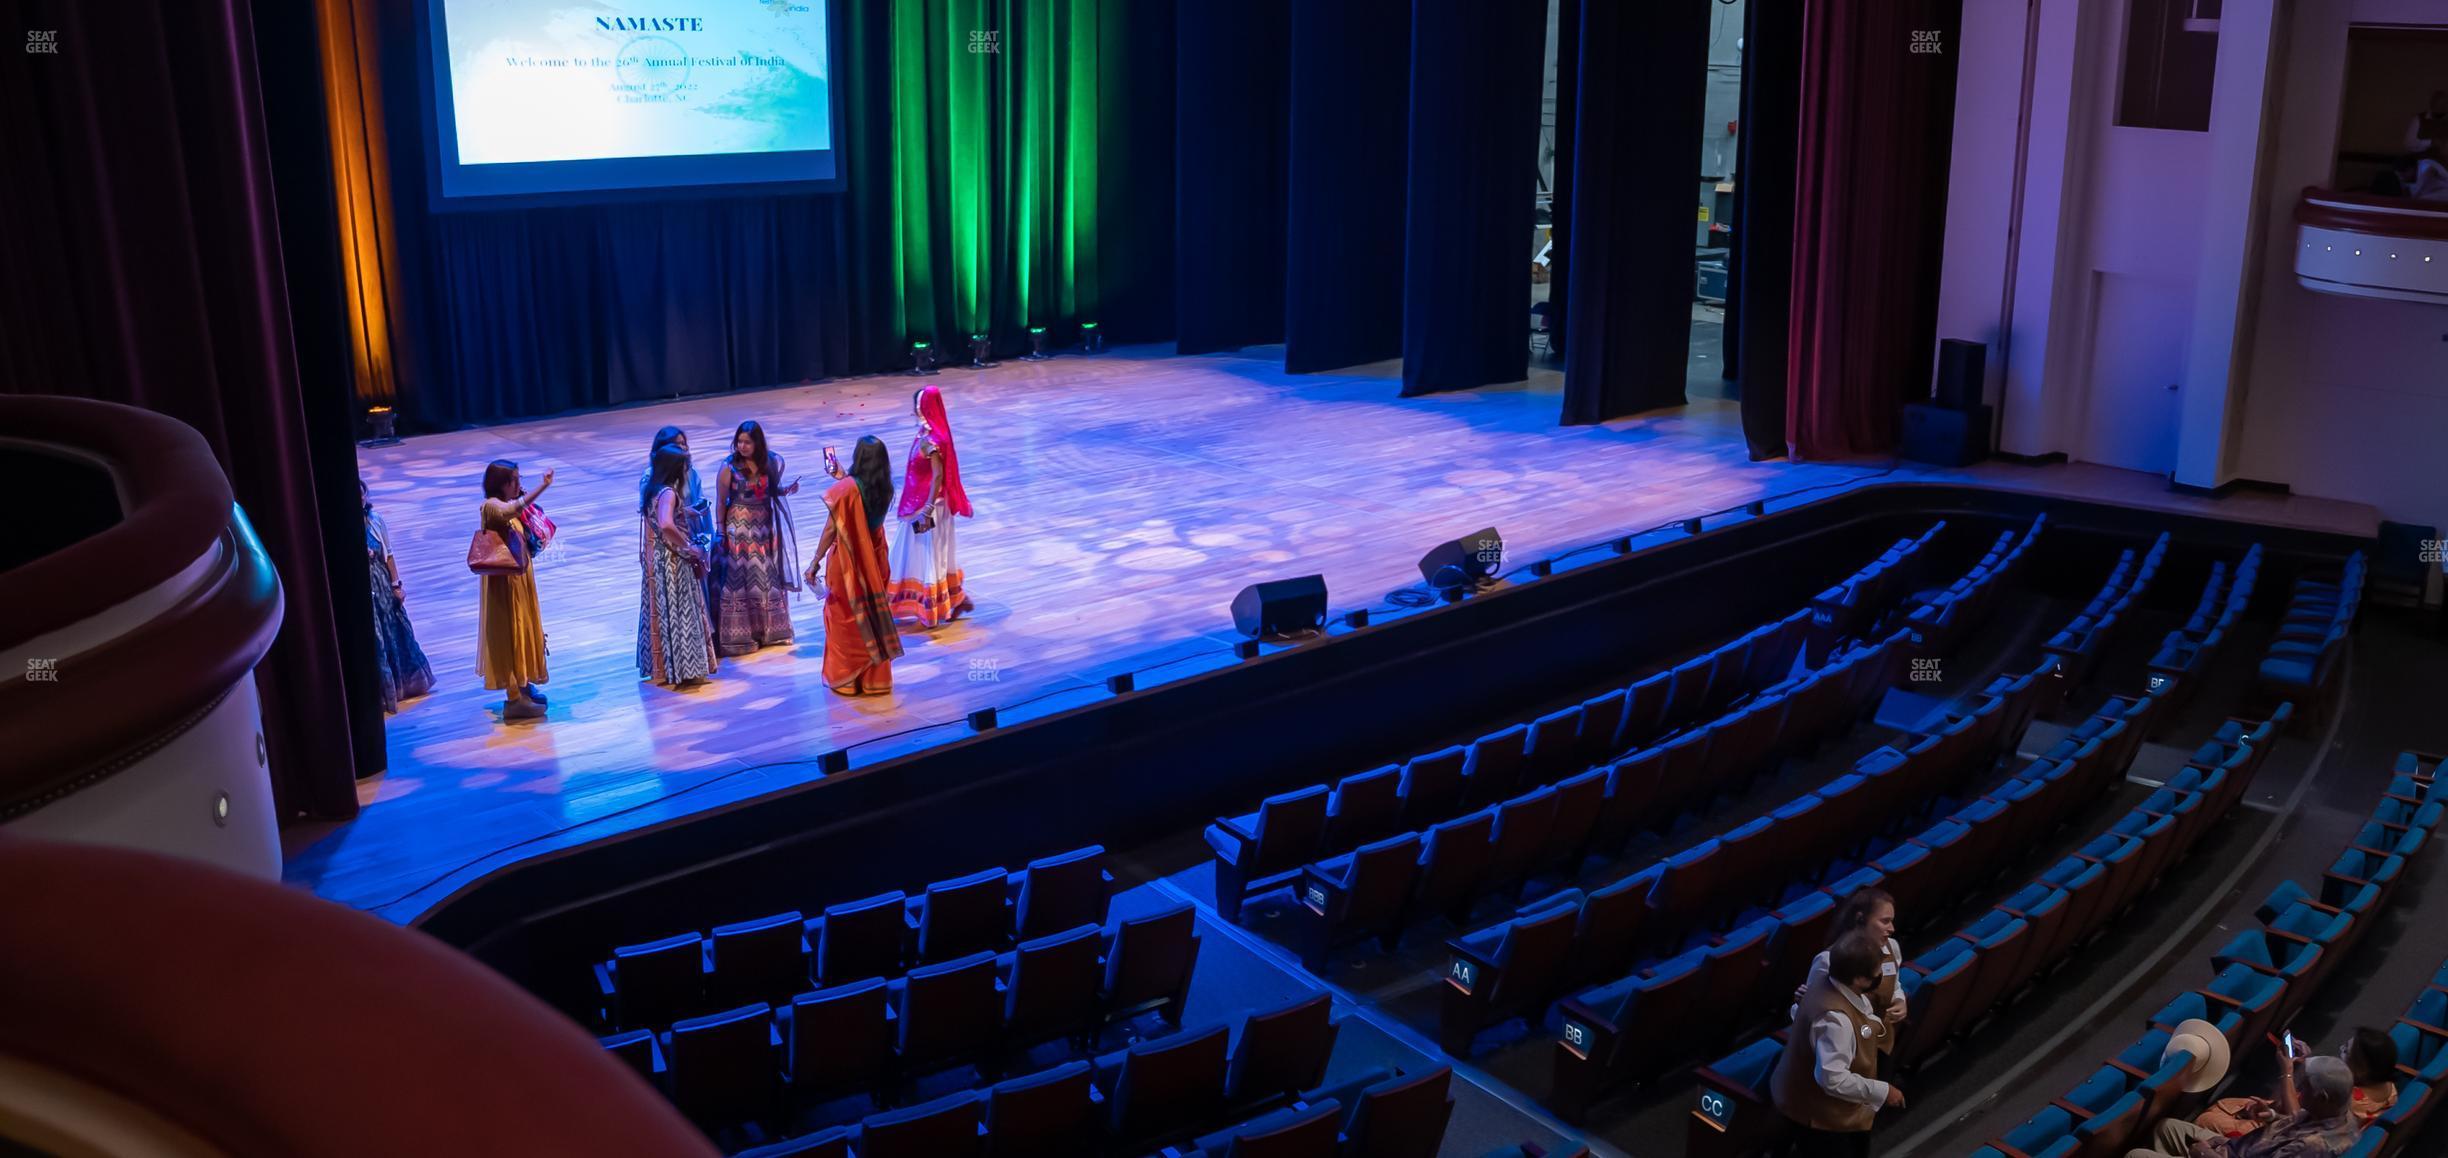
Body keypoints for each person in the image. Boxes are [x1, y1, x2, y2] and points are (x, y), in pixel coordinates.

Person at [1771, 930, 1903, 1158]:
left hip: (1823, 1105)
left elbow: (1858, 1023)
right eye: (1876, 971)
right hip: (1819, 1115)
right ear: (1860, 979)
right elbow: (1832, 1078)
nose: (1882, 974)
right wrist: (1883, 1090)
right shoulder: (1836, 1022)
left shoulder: (1827, 982)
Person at [807, 435, 903, 696]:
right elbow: (860, 499)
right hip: (875, 560)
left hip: (847, 563)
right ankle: (874, 681)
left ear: (858, 457)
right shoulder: (885, 488)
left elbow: (831, 530)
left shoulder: (847, 490)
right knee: (872, 612)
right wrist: (844, 479)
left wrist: (814, 562)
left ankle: (847, 680)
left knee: (845, 617)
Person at [2126, 1055, 2362, 1158]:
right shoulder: (2339, 1114)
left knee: (2135, 1155)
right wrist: (2270, 1116)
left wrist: (2206, 1154)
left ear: (2321, 1096)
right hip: (2240, 1148)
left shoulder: (2309, 1148)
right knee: (2167, 1128)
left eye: (2305, 1086)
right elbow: (2297, 1121)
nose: (2298, 1088)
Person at [2184, 1029, 2398, 1143]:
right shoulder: (2388, 1088)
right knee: (2230, 1104)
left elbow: (2293, 1116)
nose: (2340, 1048)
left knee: (2207, 1118)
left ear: (2361, 1071)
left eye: (2345, 1051)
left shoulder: (2345, 1097)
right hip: (2297, 1120)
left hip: (2288, 1133)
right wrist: (2307, 1066)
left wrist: (2288, 1071)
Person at [886, 385, 975, 628]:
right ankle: (956, 600)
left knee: (924, 555)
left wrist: (926, 509)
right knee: (920, 554)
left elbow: (938, 477)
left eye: (918, 406)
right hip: (921, 505)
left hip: (928, 508)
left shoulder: (932, 440)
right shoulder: (929, 434)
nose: (914, 411)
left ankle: (933, 607)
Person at [711, 420, 802, 656]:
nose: (742, 446)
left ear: (757, 443)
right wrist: (721, 530)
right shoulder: (728, 467)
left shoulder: (770, 462)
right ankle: (739, 637)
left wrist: (785, 491)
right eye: (739, 441)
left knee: (765, 576)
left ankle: (771, 632)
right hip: (739, 529)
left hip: (763, 527)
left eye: (747, 442)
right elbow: (721, 501)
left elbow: (769, 491)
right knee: (740, 578)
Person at [476, 460, 553, 720]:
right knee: (511, 633)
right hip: (505, 587)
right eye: (515, 480)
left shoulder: (507, 503)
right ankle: (514, 699)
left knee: (525, 628)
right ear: (502, 484)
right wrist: (543, 486)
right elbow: (514, 508)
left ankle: (524, 685)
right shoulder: (491, 506)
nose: (519, 485)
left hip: (519, 581)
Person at [637, 444, 718, 688]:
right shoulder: (669, 493)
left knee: (667, 611)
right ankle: (688, 668)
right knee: (683, 610)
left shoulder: (652, 490)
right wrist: (688, 546)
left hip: (660, 559)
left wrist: (687, 512)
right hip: (673, 560)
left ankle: (671, 667)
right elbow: (666, 524)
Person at [1794, 888, 1909, 1055]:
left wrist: (1899, 999)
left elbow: (1895, 982)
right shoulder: (1828, 960)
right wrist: (1805, 1004)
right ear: (1860, 919)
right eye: (1885, 921)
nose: (1892, 928)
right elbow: (1809, 1015)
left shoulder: (1892, 947)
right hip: (1843, 1050)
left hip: (1880, 1043)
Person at [362, 479, 433, 713]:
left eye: (362, 496)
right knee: (376, 639)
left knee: (394, 632)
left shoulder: (376, 520)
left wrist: (396, 585)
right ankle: (382, 694)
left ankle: (404, 686)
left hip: (381, 583)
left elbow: (388, 555)